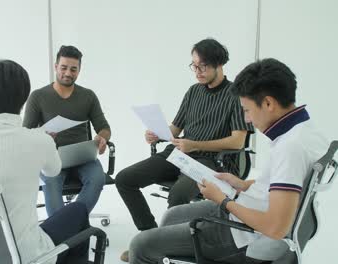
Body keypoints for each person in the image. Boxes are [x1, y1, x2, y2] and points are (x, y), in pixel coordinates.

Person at [128, 58, 330, 264]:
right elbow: (285, 185)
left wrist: (223, 201)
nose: (248, 119)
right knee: (172, 217)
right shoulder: (306, 130)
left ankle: (154, 251)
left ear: (268, 103)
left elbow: (275, 227)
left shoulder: (290, 147)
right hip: (247, 208)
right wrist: (243, 184)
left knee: (140, 245)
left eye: (247, 110)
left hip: (241, 234)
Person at [115, 38, 252, 261]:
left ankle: (163, 247)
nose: (197, 71)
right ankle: (149, 238)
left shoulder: (235, 95)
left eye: (202, 66)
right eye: (194, 65)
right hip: (180, 153)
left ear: (219, 64)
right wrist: (158, 133)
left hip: (212, 161)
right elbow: (175, 128)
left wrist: (195, 144)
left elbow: (238, 141)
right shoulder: (193, 92)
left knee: (178, 194)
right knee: (125, 179)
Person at [0, 60, 91, 264]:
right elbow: (53, 171)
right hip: (24, 256)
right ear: (24, 97)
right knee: (77, 210)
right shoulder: (38, 139)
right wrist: (46, 143)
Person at [23, 45, 111, 216]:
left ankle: (71, 222)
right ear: (56, 67)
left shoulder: (88, 96)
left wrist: (102, 138)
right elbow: (26, 134)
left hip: (82, 157)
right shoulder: (38, 97)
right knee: (51, 182)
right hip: (52, 156)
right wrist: (41, 135)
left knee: (97, 178)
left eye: (73, 69)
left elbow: (104, 127)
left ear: (79, 70)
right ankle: (61, 230)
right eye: (64, 68)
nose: (68, 73)